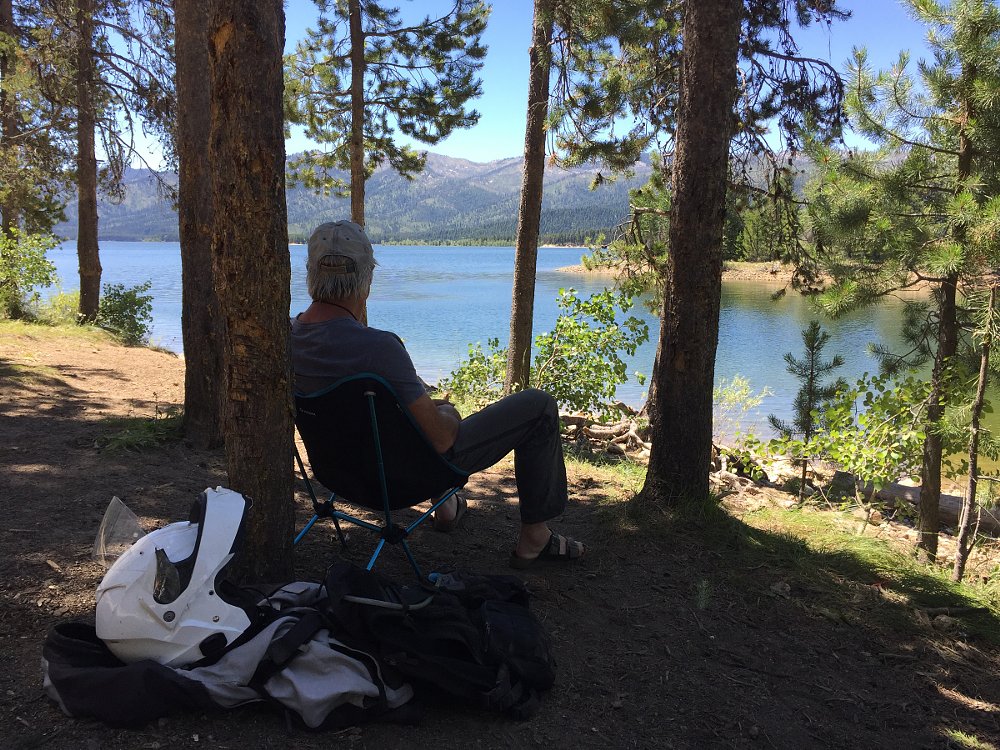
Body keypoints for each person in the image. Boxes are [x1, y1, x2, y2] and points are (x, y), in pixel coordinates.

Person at [290, 220, 587, 568]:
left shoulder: (287, 338)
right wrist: (447, 412)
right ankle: (535, 537)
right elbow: (442, 440)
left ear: (310, 275)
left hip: (337, 475)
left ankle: (446, 508)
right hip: (401, 482)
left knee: (408, 420)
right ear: (366, 281)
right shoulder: (379, 349)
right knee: (538, 406)